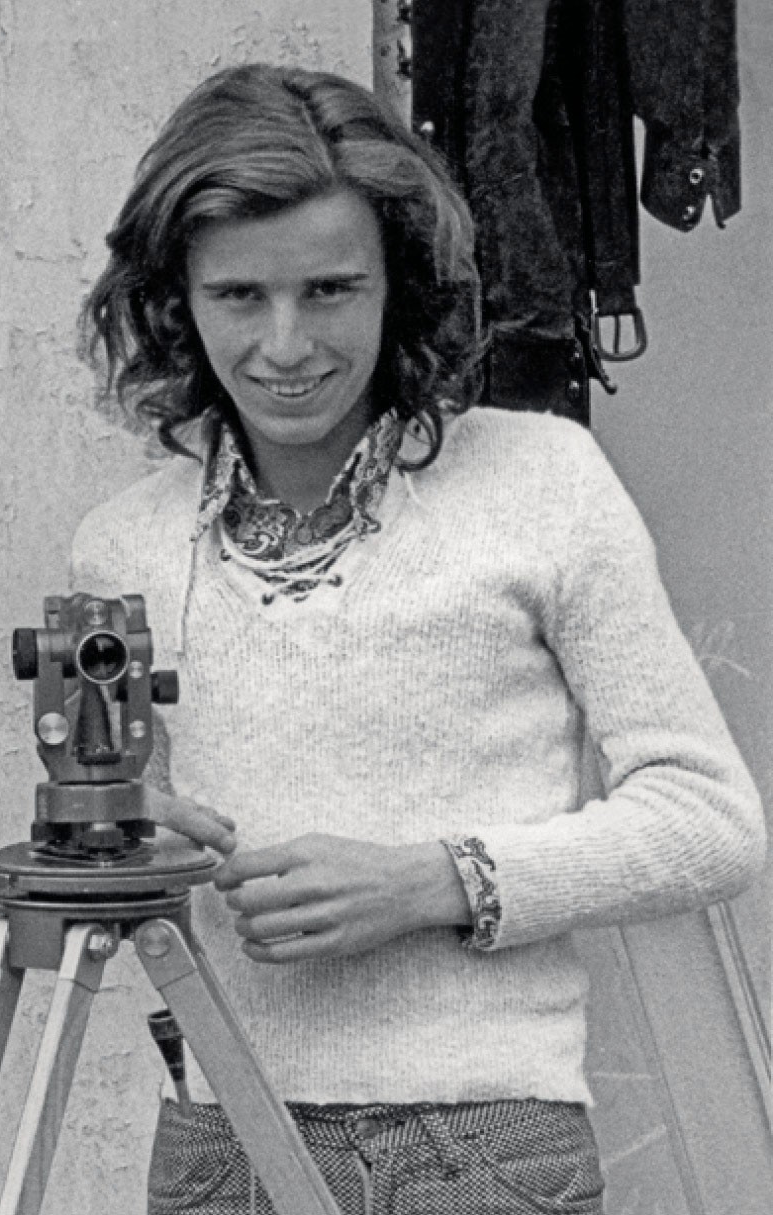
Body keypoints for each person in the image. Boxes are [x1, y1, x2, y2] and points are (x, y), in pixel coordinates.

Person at [70, 63, 765, 1215]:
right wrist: (127, 835)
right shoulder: (122, 547)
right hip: (220, 1133)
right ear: (174, 301)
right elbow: (115, 833)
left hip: (482, 1146)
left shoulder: (543, 482)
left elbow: (711, 823)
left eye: (331, 289)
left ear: (402, 283)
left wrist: (437, 881)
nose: (286, 344)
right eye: (239, 295)